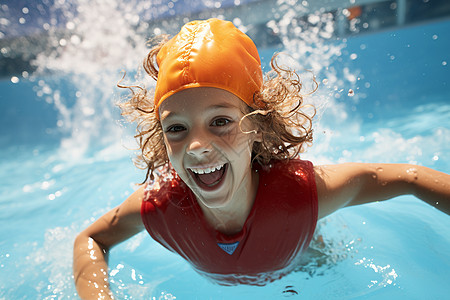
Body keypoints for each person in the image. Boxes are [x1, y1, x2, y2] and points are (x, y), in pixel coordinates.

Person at [73, 18, 450, 299]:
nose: (197, 147)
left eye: (220, 122)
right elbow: (91, 239)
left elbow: (408, 178)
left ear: (259, 125)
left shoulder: (302, 196)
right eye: (177, 129)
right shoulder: (160, 208)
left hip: (311, 268)